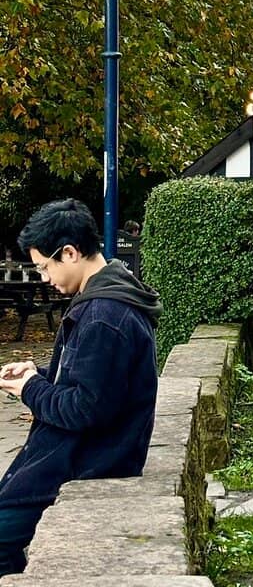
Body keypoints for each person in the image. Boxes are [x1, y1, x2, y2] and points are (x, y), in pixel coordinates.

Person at [0, 199, 162, 575]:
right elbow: (93, 379)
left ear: (69, 253)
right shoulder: (107, 301)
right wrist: (38, 373)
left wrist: (29, 389)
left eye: (44, 266)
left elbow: (84, 409)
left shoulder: (104, 316)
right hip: (71, 457)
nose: (43, 278)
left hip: (83, 464)